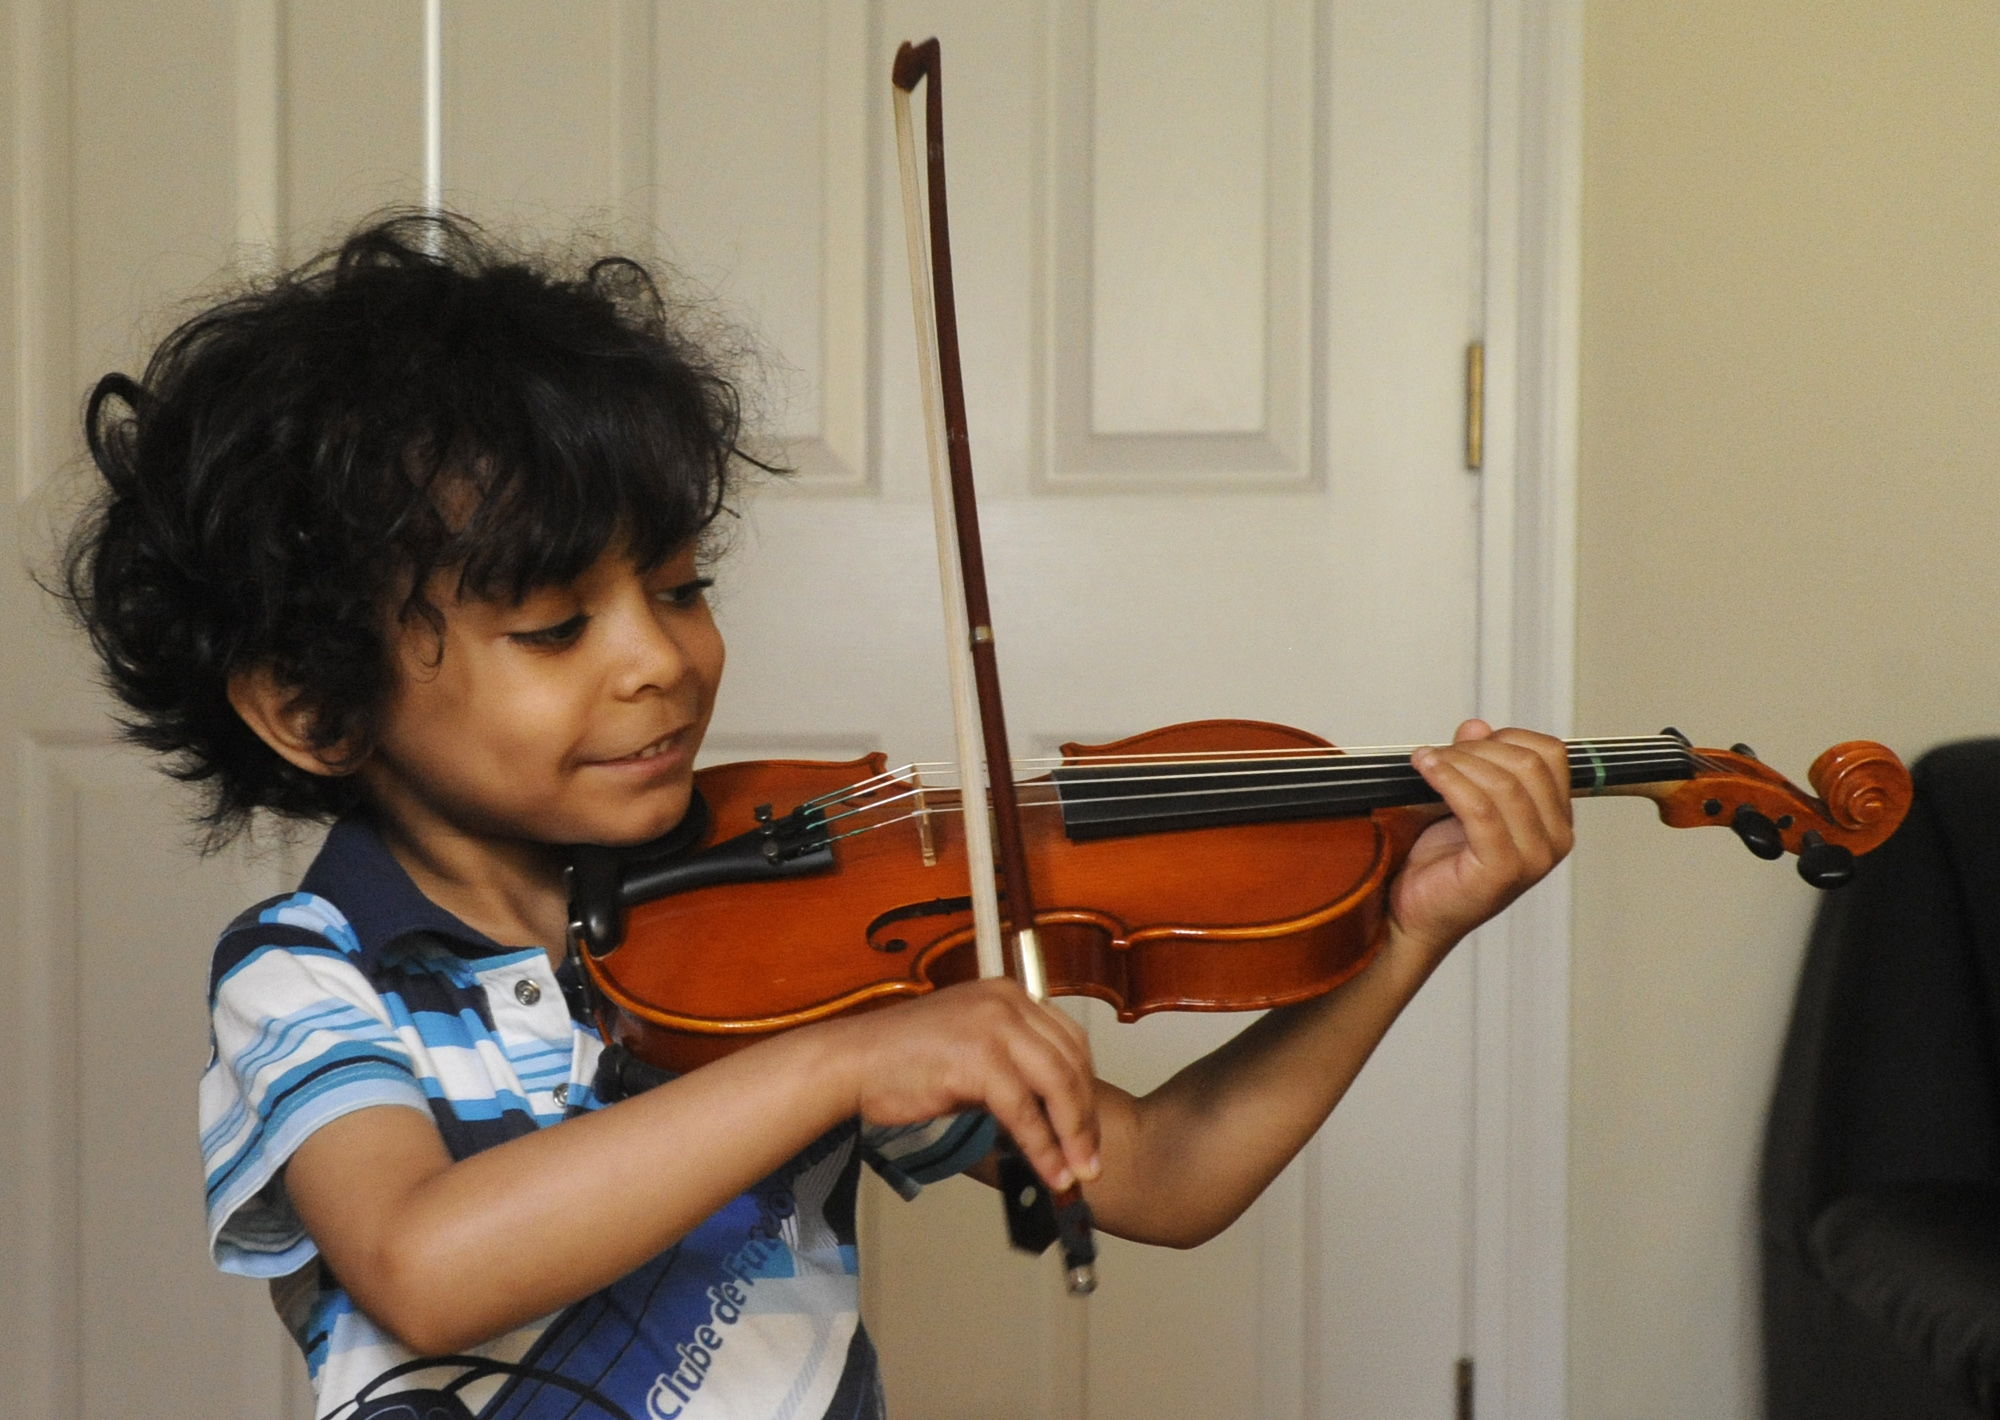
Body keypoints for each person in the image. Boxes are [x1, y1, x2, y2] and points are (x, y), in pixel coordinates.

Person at [60, 213, 1573, 1420]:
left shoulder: (781, 936)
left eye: (677, 585)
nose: (661, 657)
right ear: (314, 706)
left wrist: (1404, 932)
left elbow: (1168, 1173)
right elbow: (424, 1265)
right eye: (552, 625)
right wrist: (839, 1063)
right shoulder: (308, 972)